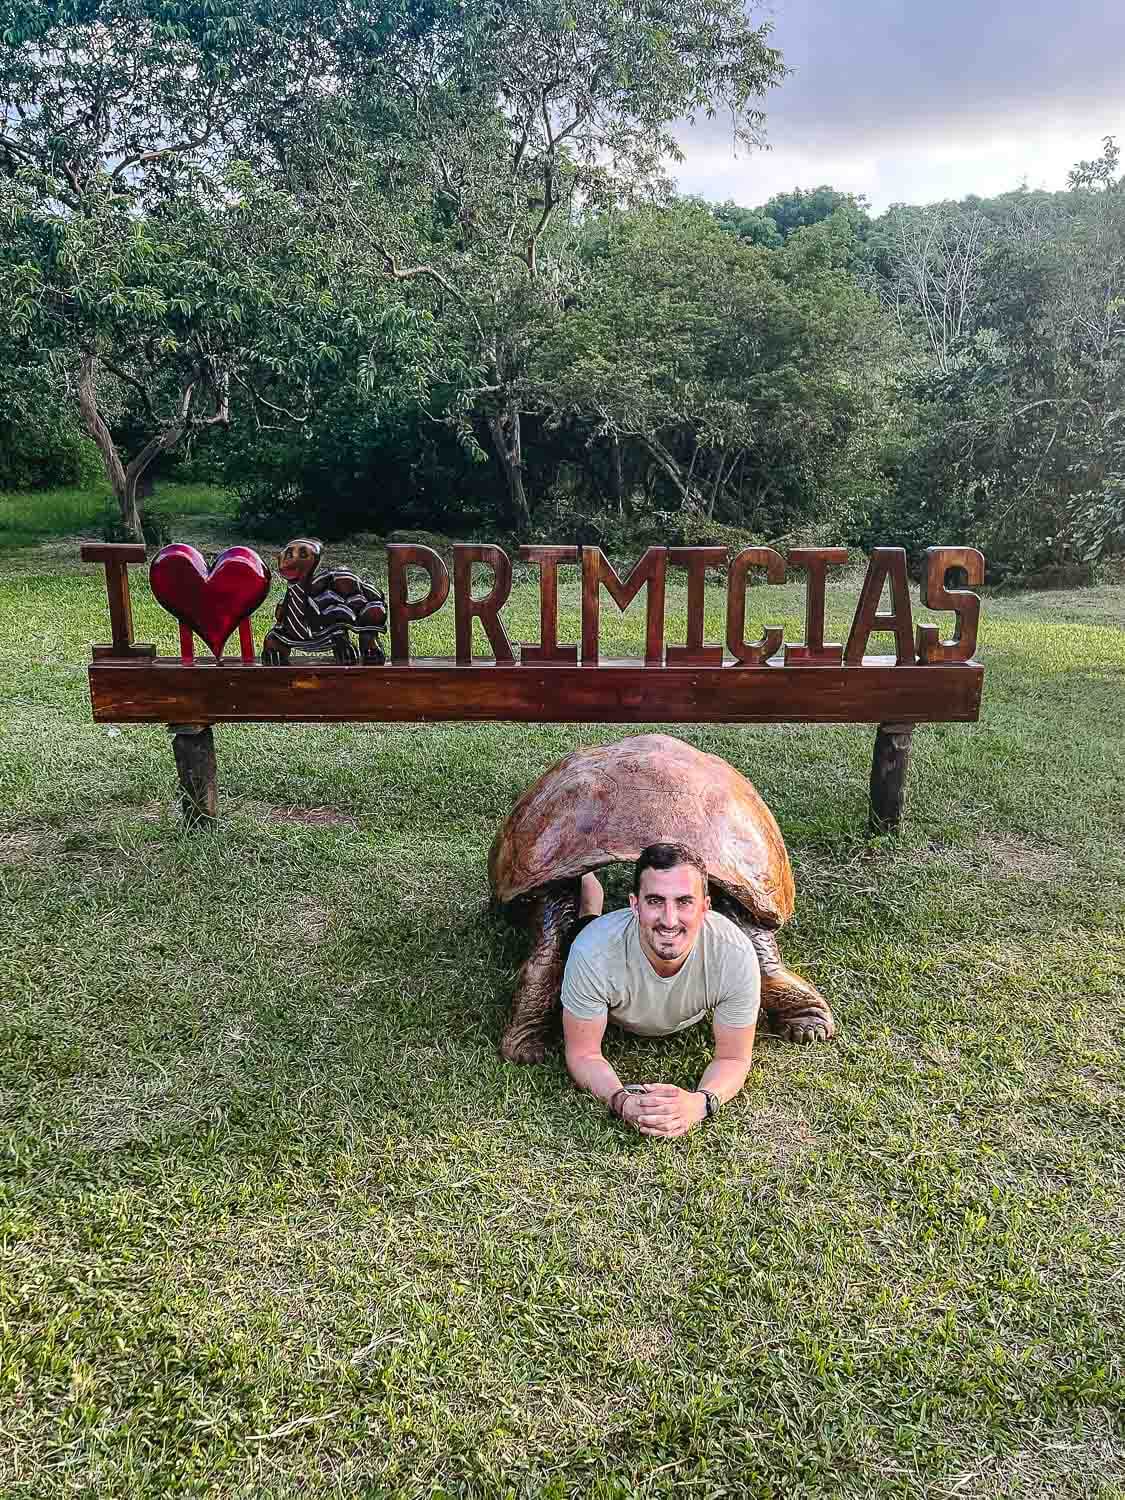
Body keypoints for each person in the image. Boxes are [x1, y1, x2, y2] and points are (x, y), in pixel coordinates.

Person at [561, 841, 759, 1138]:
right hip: (603, 944)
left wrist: (699, 1103)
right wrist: (621, 1100)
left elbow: (734, 1058)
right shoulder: (592, 951)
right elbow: (583, 1054)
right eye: (655, 901)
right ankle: (589, 892)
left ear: (705, 907)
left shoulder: (734, 954)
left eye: (684, 902)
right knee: (579, 930)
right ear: (634, 904)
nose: (669, 920)